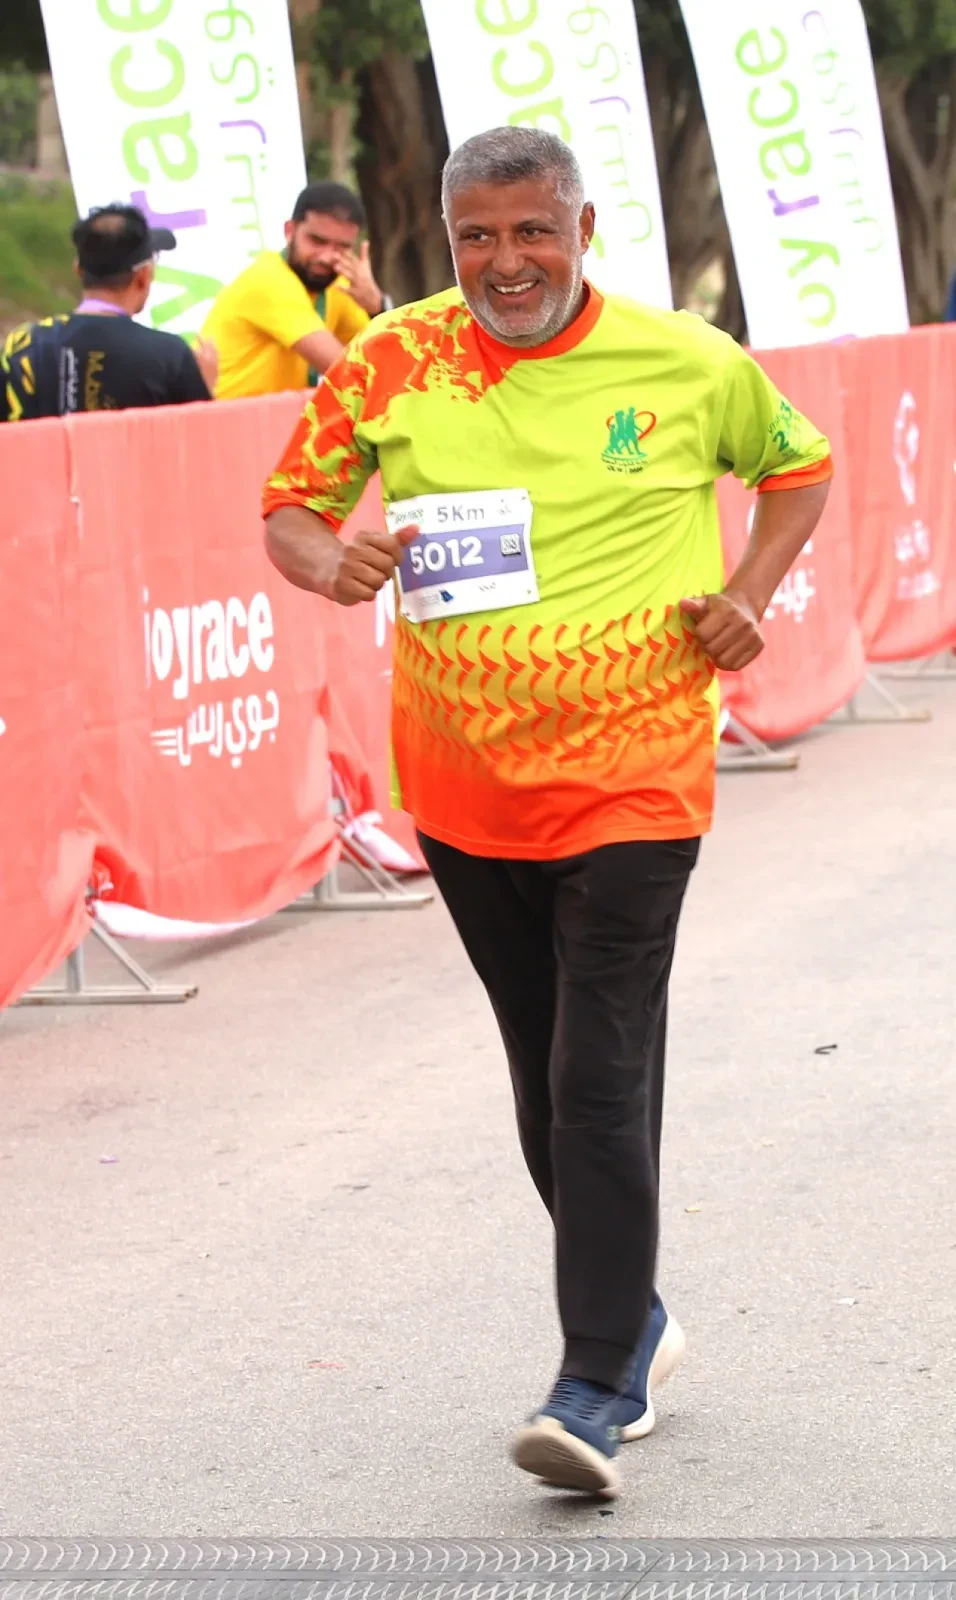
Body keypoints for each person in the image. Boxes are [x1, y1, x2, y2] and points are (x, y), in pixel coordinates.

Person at [261, 126, 833, 1499]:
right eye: (477, 236)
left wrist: (745, 595)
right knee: (543, 1069)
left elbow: (798, 467)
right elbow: (288, 508)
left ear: (582, 230)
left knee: (597, 1067)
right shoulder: (394, 357)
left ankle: (594, 1382)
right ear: (445, 238)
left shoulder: (685, 360)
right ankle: (634, 1315)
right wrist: (327, 560)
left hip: (638, 766)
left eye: (531, 231)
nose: (505, 261)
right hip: (461, 781)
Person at [0, 204, 215, 422]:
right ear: (143, 275)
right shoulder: (170, 356)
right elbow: (200, 435)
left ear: (78, 269)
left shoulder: (24, 344)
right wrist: (203, 390)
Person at [203, 181, 387, 401]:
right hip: (225, 417)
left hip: (276, 417)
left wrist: (378, 306)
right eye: (317, 241)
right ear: (289, 230)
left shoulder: (337, 285)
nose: (327, 257)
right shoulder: (268, 279)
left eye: (342, 247)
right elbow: (348, 373)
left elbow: (386, 361)